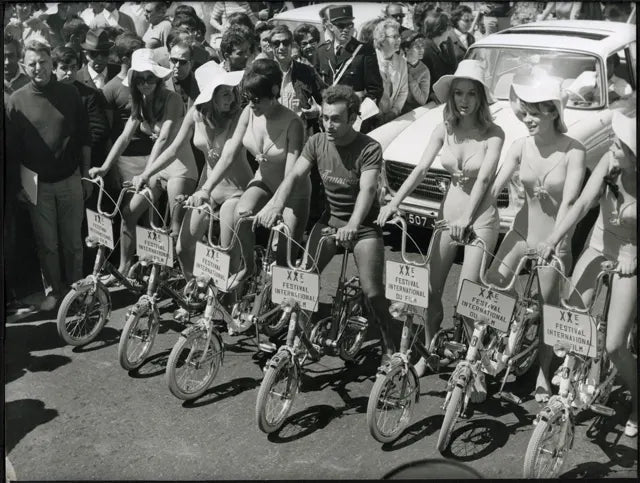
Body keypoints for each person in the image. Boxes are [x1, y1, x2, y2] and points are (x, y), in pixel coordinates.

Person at [377, 60, 505, 378]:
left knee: (468, 297)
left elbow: (486, 178)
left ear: (481, 98)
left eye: (471, 94)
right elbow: (421, 169)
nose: (464, 100)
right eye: (458, 93)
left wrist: (466, 217)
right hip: (447, 217)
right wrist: (393, 202)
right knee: (430, 291)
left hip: (481, 219)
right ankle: (432, 351)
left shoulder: (494, 134)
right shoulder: (443, 128)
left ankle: (472, 364)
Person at [255, 84, 397, 360]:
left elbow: (368, 190)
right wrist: (275, 205)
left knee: (372, 291)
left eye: (336, 119)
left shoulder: (368, 147)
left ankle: (390, 346)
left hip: (363, 227)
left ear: (353, 118)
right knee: (304, 278)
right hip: (330, 222)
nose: (328, 125)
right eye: (324, 118)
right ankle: (303, 338)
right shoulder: (317, 141)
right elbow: (295, 176)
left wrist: (353, 225)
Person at [486, 77, 586, 403]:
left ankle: (544, 372)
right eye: (525, 113)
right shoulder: (520, 145)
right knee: (494, 283)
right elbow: (493, 187)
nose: (526, 120)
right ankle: (502, 345)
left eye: (534, 114)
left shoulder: (574, 151)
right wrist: (472, 213)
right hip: (521, 230)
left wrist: (554, 241)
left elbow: (570, 203)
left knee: (549, 308)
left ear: (553, 113)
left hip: (554, 239)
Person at [539, 111, 637, 437]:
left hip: (630, 258)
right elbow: (582, 205)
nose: (612, 145)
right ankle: (574, 376)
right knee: (572, 312)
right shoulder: (610, 163)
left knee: (615, 346)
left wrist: (633, 255)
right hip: (598, 245)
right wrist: (554, 238)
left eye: (619, 143)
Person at [135, 62, 252, 286]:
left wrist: (205, 190)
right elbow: (173, 148)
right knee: (183, 247)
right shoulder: (195, 114)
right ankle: (195, 293)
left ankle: (229, 307)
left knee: (227, 254)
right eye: (225, 94)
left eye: (232, 92)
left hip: (236, 189)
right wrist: (146, 173)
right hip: (207, 188)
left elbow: (227, 157)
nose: (232, 98)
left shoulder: (239, 116)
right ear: (210, 97)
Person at [197, 58, 311, 285]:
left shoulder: (293, 123)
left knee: (283, 258)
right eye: (247, 99)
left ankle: (280, 303)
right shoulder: (249, 113)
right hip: (265, 180)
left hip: (292, 192)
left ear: (275, 92)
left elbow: (292, 174)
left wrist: (274, 206)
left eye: (257, 100)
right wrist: (205, 189)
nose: (251, 105)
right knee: (241, 215)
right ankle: (249, 267)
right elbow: (228, 153)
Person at [89, 48, 199, 282]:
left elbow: (163, 138)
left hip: (179, 167)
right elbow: (124, 137)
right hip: (158, 168)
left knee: (175, 230)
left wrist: (146, 173)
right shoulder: (140, 101)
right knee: (129, 212)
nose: (145, 84)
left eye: (150, 78)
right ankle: (124, 268)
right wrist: (105, 167)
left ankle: (189, 284)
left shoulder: (173, 99)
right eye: (140, 79)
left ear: (158, 79)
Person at [6, 39, 92, 311]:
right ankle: (55, 292)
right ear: (24, 65)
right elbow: (13, 149)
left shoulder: (70, 94)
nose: (37, 68)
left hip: (70, 179)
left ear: (52, 63)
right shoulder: (16, 101)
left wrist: (86, 173)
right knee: (47, 245)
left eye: (42, 62)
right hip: (36, 186)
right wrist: (19, 184)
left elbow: (84, 137)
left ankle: (76, 292)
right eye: (31, 63)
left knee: (73, 243)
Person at [313, 4, 384, 128]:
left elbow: (375, 90)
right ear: (330, 27)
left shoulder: (364, 51)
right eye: (340, 25)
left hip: (353, 119)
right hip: (327, 117)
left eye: (349, 25)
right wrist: (320, 110)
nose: (345, 29)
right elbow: (316, 86)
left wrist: (358, 116)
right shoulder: (321, 51)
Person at [52, 46, 110, 172]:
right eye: (64, 68)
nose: (69, 73)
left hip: (82, 162)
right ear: (53, 69)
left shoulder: (89, 94)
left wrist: (76, 151)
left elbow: (98, 130)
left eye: (73, 67)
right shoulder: (46, 93)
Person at [269, 25, 325, 132]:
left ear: (292, 45)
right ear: (271, 46)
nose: (281, 47)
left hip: (302, 135)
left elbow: (324, 100)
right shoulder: (263, 72)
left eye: (285, 43)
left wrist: (317, 110)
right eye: (276, 43)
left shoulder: (307, 71)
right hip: (272, 136)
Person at [372, 18, 408, 124]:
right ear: (381, 40)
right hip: (371, 119)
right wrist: (377, 115)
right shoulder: (370, 58)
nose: (399, 40)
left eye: (399, 36)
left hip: (392, 119)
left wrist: (394, 112)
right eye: (394, 37)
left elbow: (403, 91)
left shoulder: (401, 62)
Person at [422, 12, 458, 102]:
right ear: (441, 30)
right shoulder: (425, 50)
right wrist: (431, 94)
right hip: (433, 101)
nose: (450, 31)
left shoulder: (446, 44)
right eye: (448, 27)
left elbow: (454, 69)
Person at [400, 29, 430, 114]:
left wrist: (410, 79)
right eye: (417, 47)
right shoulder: (398, 64)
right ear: (406, 48)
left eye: (422, 46)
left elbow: (423, 100)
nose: (422, 50)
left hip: (413, 113)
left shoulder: (424, 70)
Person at [167, 40, 200, 110]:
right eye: (174, 60)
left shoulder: (201, 85)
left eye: (182, 62)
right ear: (169, 60)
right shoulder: (161, 85)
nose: (177, 65)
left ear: (191, 63)